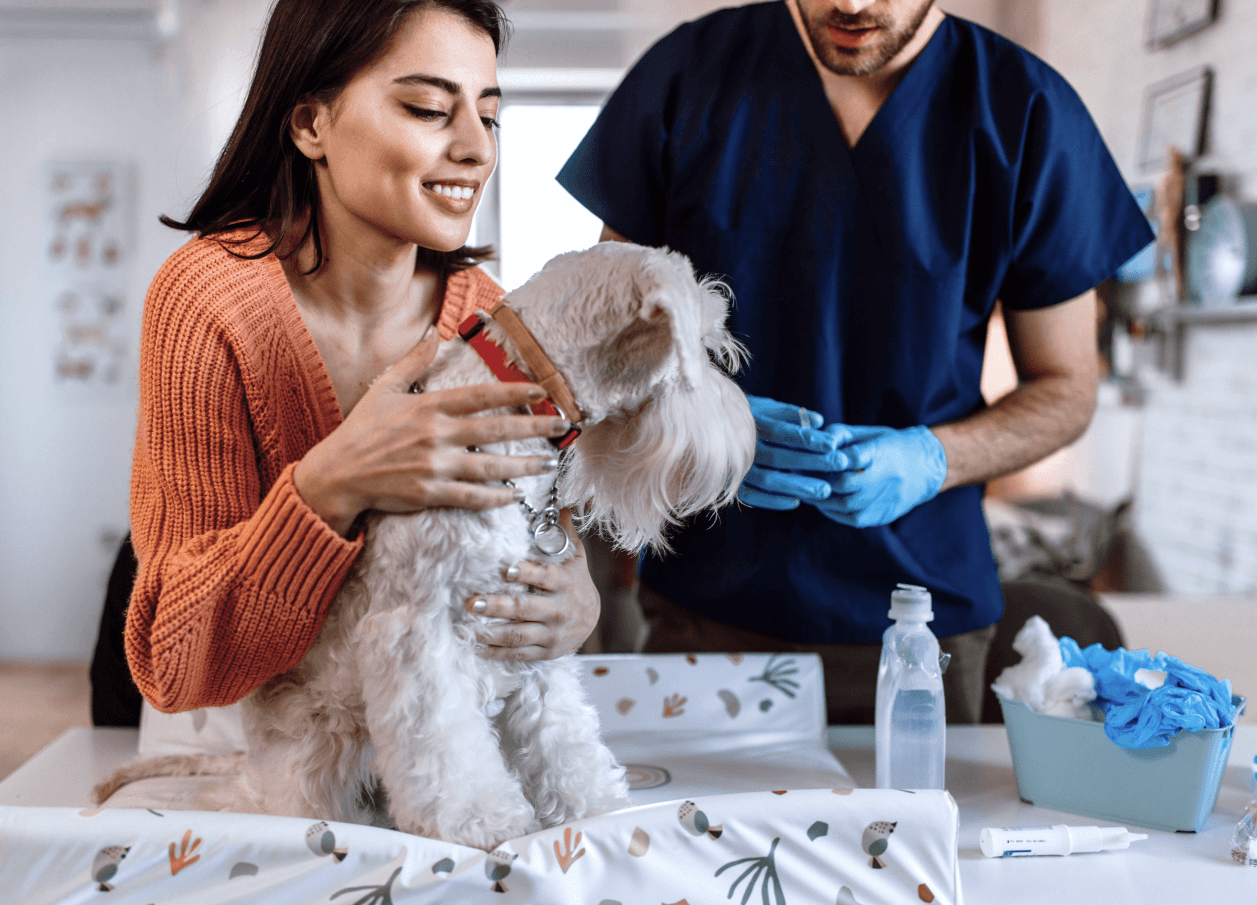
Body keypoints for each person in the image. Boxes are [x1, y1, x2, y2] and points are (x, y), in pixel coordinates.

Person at [557, 0, 1153, 723]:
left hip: (924, 626)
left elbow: (1066, 390)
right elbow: (601, 346)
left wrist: (934, 457)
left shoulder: (1026, 113)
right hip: (703, 611)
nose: (852, 5)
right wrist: (707, 426)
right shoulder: (686, 79)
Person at [124, 0, 600, 715]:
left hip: (411, 747)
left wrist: (574, 599)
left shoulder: (494, 322)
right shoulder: (207, 300)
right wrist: (334, 481)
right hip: (236, 728)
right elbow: (176, 664)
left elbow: (541, 528)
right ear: (312, 123)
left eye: (489, 115)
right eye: (428, 109)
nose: (477, 148)